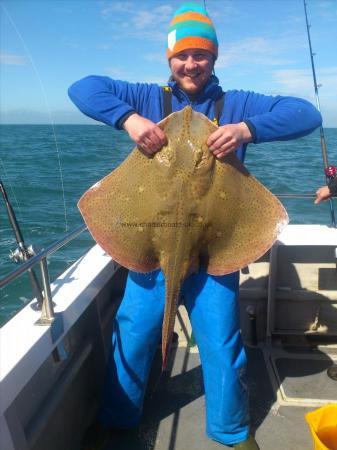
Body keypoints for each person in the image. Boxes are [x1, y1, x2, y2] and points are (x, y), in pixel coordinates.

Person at [69, 3, 322, 449]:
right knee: (134, 332)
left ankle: (230, 431)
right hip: (151, 249)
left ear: (214, 58)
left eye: (201, 55)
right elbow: (83, 87)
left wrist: (247, 130)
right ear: (169, 60)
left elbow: (306, 114)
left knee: (222, 343)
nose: (191, 64)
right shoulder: (148, 98)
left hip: (214, 250)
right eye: (182, 55)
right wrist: (129, 119)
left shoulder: (235, 104)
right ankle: (118, 419)